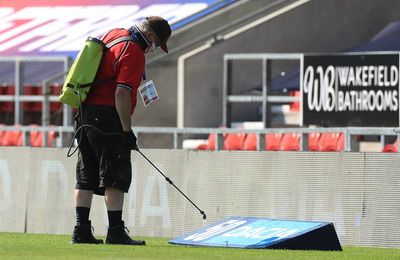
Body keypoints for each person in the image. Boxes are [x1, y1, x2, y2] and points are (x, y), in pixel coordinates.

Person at [70, 16, 171, 245]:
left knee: (86, 175)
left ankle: (81, 229)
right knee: (115, 175)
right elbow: (122, 93)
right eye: (157, 44)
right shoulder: (134, 51)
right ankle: (115, 231)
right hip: (108, 117)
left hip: (85, 113)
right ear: (151, 36)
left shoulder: (114, 34)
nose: (153, 50)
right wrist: (126, 131)